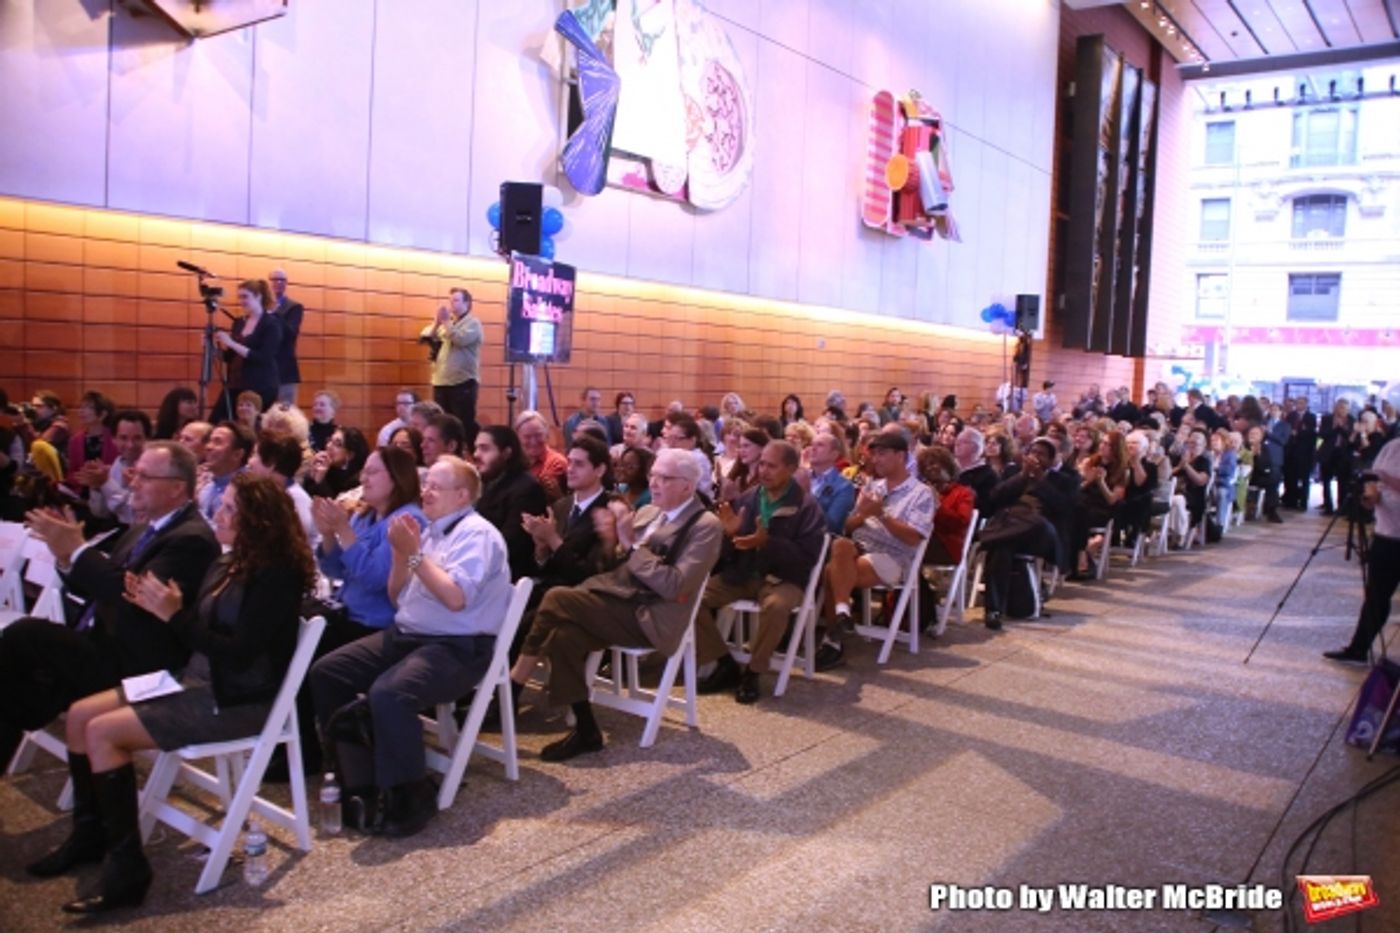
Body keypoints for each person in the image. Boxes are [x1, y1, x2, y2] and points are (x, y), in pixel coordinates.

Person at [45, 474, 313, 913]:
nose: (217, 515)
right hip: (197, 680)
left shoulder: (277, 575)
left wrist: (173, 616)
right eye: (221, 505)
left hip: (238, 701)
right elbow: (199, 631)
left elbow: (239, 654)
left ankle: (127, 868)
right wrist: (160, 604)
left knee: (103, 733)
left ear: (258, 522)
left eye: (229, 509)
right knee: (78, 715)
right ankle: (89, 834)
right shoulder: (230, 562)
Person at [311, 456, 511, 837]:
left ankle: (409, 796)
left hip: (458, 645)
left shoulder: (477, 534)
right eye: (426, 484)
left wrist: (413, 555)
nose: (426, 492)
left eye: (436, 486)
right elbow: (396, 596)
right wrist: (402, 556)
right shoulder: (430, 530)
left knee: (390, 693)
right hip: (409, 633)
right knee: (328, 671)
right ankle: (356, 776)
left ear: (462, 494)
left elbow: (455, 598)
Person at [0, 442, 219, 789]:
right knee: (19, 679)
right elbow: (96, 586)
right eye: (135, 474)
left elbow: (132, 596)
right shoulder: (140, 529)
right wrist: (65, 556)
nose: (133, 483)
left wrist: (79, 550)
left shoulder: (191, 539)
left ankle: (96, 825)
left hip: (142, 664)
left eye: (145, 476)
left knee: (23, 638)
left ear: (178, 487)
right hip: (105, 643)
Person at [507, 448, 722, 761]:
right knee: (563, 635)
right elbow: (612, 566)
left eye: (665, 478)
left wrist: (631, 546)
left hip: (652, 616)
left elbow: (675, 585)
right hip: (619, 600)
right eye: (653, 476)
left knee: (556, 598)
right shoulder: (649, 512)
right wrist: (611, 541)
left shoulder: (705, 525)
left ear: (687, 487)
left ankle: (514, 684)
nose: (655, 483)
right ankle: (586, 730)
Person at [694, 440, 826, 703]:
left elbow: (807, 559)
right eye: (762, 463)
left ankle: (753, 672)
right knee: (689, 598)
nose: (763, 470)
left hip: (784, 580)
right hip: (744, 574)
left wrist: (768, 543)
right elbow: (732, 550)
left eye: (772, 466)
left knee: (776, 607)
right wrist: (729, 535)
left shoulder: (806, 507)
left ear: (790, 468)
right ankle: (724, 662)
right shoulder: (750, 497)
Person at [815, 431, 935, 669]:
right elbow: (847, 526)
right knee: (840, 544)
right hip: (857, 548)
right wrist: (862, 514)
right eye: (874, 454)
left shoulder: (921, 493)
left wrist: (880, 514)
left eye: (882, 454)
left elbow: (913, 538)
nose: (875, 460)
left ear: (900, 456)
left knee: (830, 571)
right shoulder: (872, 486)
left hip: (894, 556)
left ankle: (833, 640)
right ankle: (841, 614)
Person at [1324, 437, 1400, 664]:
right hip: (1387, 533)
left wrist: (1387, 479)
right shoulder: (1392, 447)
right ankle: (1358, 648)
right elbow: (1373, 478)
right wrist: (1370, 495)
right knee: (1376, 594)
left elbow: (1383, 477)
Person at [474, 424, 548, 581]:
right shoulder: (486, 483)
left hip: (505, 576)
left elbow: (510, 545)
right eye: (476, 448)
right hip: (481, 566)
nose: (476, 455)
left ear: (506, 453)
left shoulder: (527, 489)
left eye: (485, 449)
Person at [212, 278, 283, 420]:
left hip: (260, 386)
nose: (241, 301)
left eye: (245, 297)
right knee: (217, 420)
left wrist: (232, 343)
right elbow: (229, 357)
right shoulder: (239, 323)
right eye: (240, 297)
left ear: (258, 297)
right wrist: (213, 347)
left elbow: (263, 357)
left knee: (251, 425)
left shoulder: (271, 324)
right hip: (235, 383)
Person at [421, 287, 483, 447]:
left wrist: (446, 322)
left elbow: (460, 339)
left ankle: (467, 454)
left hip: (462, 383)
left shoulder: (473, 323)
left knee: (463, 423)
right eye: (450, 300)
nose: (452, 304)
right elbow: (425, 337)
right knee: (443, 423)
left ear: (467, 304)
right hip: (441, 381)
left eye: (456, 300)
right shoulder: (445, 324)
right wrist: (436, 322)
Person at [79, 410, 151, 529]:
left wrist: (106, 483)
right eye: (123, 438)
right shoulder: (118, 462)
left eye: (137, 438)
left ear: (147, 439)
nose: (130, 445)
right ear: (114, 440)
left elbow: (131, 514)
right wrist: (96, 487)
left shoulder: (154, 469)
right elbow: (101, 513)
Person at [195, 422, 254, 523]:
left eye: (217, 442)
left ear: (237, 454)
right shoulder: (206, 487)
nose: (208, 447)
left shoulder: (248, 491)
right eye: (210, 441)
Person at [806, 428, 855, 534]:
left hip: (819, 539)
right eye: (812, 444)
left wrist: (806, 495)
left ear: (834, 454)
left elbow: (832, 525)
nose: (813, 448)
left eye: (820, 445)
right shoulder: (802, 477)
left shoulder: (844, 487)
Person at [268, 268, 305, 406]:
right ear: (269, 283)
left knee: (285, 413)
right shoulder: (260, 307)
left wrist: (275, 313)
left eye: (282, 280)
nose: (278, 282)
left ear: (286, 283)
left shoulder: (294, 307)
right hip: (264, 370)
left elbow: (291, 333)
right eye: (275, 279)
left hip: (285, 369)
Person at [65, 391, 117, 486]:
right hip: (81, 493)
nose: (81, 411)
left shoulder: (115, 439)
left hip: (109, 492)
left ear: (103, 414)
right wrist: (82, 478)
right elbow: (71, 473)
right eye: (81, 407)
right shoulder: (75, 440)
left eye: (88, 407)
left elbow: (118, 470)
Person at [302, 426, 370, 500]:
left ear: (350, 455)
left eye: (337, 444)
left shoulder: (357, 481)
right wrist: (312, 475)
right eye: (330, 440)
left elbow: (334, 506)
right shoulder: (328, 468)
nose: (329, 446)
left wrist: (320, 481)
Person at [516, 412, 568, 503]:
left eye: (538, 435)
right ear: (517, 438)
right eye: (527, 437)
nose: (533, 441)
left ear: (547, 435)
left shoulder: (557, 462)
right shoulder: (511, 463)